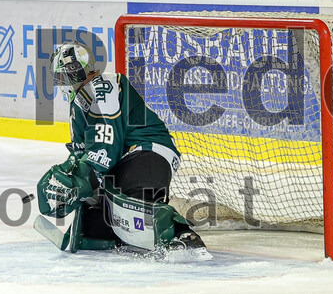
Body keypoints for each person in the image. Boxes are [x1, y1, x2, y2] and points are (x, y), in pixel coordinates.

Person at [35, 42, 210, 260]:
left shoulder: (102, 87)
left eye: (62, 77)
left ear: (74, 73)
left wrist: (83, 178)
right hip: (121, 162)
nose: (60, 83)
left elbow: (105, 147)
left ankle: (182, 235)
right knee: (95, 227)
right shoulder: (80, 103)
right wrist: (71, 176)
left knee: (136, 207)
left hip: (147, 152)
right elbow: (83, 153)